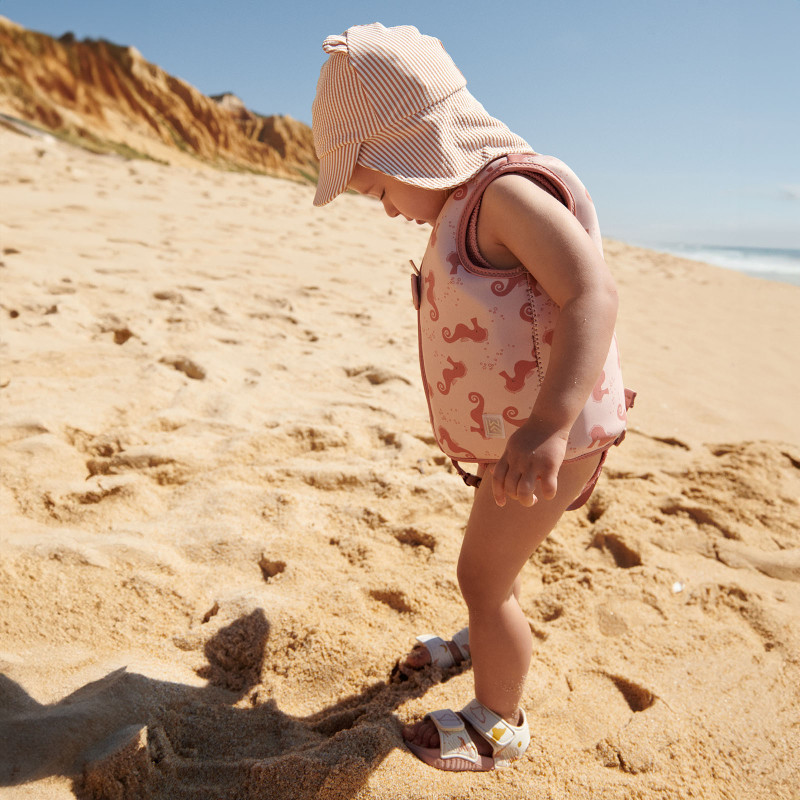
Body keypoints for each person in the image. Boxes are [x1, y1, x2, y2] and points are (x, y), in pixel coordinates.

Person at [312, 23, 629, 772]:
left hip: (555, 435)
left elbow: (592, 293)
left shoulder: (505, 196)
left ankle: (499, 722)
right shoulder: (465, 204)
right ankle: (479, 639)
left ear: (415, 150)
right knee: (494, 559)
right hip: (522, 432)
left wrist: (548, 424)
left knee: (480, 578)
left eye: (379, 187)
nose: (387, 208)